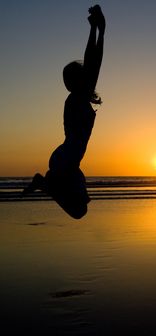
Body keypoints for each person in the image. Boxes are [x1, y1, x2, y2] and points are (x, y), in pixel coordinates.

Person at [22, 5, 105, 219]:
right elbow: (93, 63)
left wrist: (98, 30)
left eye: (68, 79)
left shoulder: (79, 97)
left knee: (80, 209)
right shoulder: (76, 99)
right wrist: (97, 30)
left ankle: (44, 184)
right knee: (79, 211)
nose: (66, 84)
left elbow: (93, 64)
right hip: (65, 160)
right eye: (65, 81)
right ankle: (44, 184)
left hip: (68, 160)